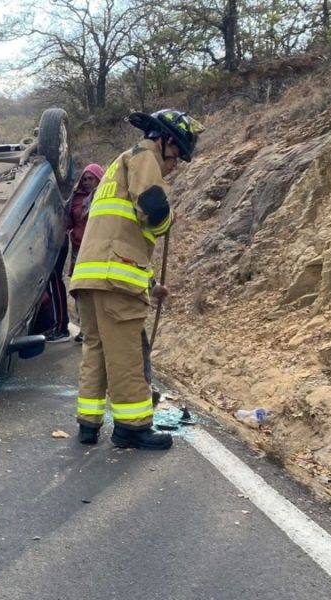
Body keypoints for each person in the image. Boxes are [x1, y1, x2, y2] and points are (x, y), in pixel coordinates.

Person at [69, 109, 202, 449]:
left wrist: (150, 284)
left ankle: (88, 423)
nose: (175, 165)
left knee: (97, 351)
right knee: (125, 354)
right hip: (114, 281)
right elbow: (152, 208)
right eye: (177, 156)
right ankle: (132, 428)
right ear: (165, 140)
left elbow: (119, 238)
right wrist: (166, 221)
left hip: (91, 278)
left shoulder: (117, 166)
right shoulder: (145, 158)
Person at [45, 164, 103, 343]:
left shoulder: (105, 196)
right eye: (84, 179)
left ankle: (97, 328)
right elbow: (68, 221)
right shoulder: (76, 199)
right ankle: (84, 328)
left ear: (99, 179)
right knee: (80, 290)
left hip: (97, 248)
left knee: (95, 288)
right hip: (79, 249)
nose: (86, 183)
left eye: (90, 179)